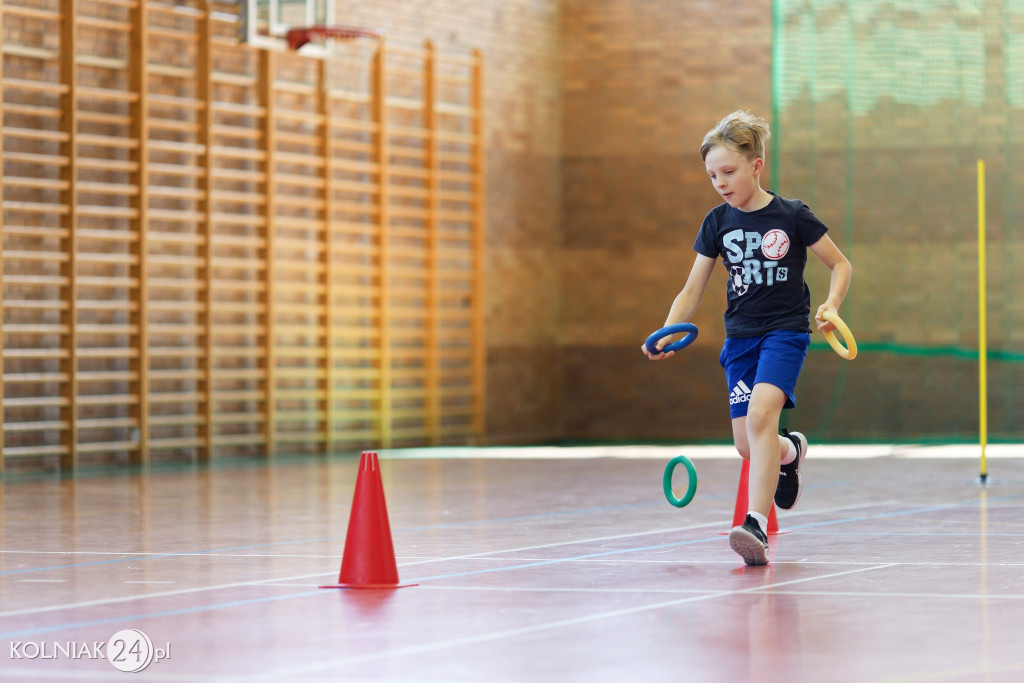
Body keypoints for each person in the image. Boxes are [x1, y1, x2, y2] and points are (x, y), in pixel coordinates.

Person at [642, 110, 852, 566]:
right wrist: (666, 330)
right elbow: (692, 289)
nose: (720, 182)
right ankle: (791, 451)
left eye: (729, 172)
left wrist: (831, 306)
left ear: (756, 166)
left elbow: (840, 264)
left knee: (761, 418)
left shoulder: (792, 215)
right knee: (748, 442)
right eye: (712, 174)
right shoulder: (717, 222)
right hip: (739, 340)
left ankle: (753, 522)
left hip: (785, 334)